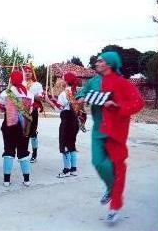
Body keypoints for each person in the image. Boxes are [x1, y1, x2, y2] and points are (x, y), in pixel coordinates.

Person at [76, 51, 144, 223]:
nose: (96, 63)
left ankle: (114, 207)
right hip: (98, 129)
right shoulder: (93, 81)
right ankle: (112, 187)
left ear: (109, 64)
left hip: (116, 131)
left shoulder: (123, 84)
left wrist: (117, 105)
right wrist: (81, 97)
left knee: (118, 167)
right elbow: (81, 93)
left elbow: (138, 103)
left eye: (100, 61)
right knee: (98, 162)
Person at [0, 70, 34, 187]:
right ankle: (27, 180)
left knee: (8, 150)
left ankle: (6, 180)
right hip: (25, 126)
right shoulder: (29, 94)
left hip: (10, 125)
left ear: (11, 80)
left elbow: (0, 109)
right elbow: (31, 111)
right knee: (23, 151)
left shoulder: (6, 93)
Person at [45, 73, 80, 178]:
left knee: (64, 145)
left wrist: (47, 100)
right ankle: (73, 169)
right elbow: (68, 105)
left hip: (66, 121)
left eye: (62, 79)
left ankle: (66, 170)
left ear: (66, 81)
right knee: (72, 144)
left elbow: (58, 109)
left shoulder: (64, 93)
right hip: (74, 121)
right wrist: (55, 100)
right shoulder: (74, 91)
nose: (61, 81)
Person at [23, 65, 44, 163]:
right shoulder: (20, 83)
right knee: (23, 132)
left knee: (32, 133)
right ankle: (24, 152)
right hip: (22, 110)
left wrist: (30, 95)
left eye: (29, 71)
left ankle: (34, 154)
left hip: (33, 110)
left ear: (32, 73)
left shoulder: (37, 85)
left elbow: (40, 97)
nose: (27, 73)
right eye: (25, 71)